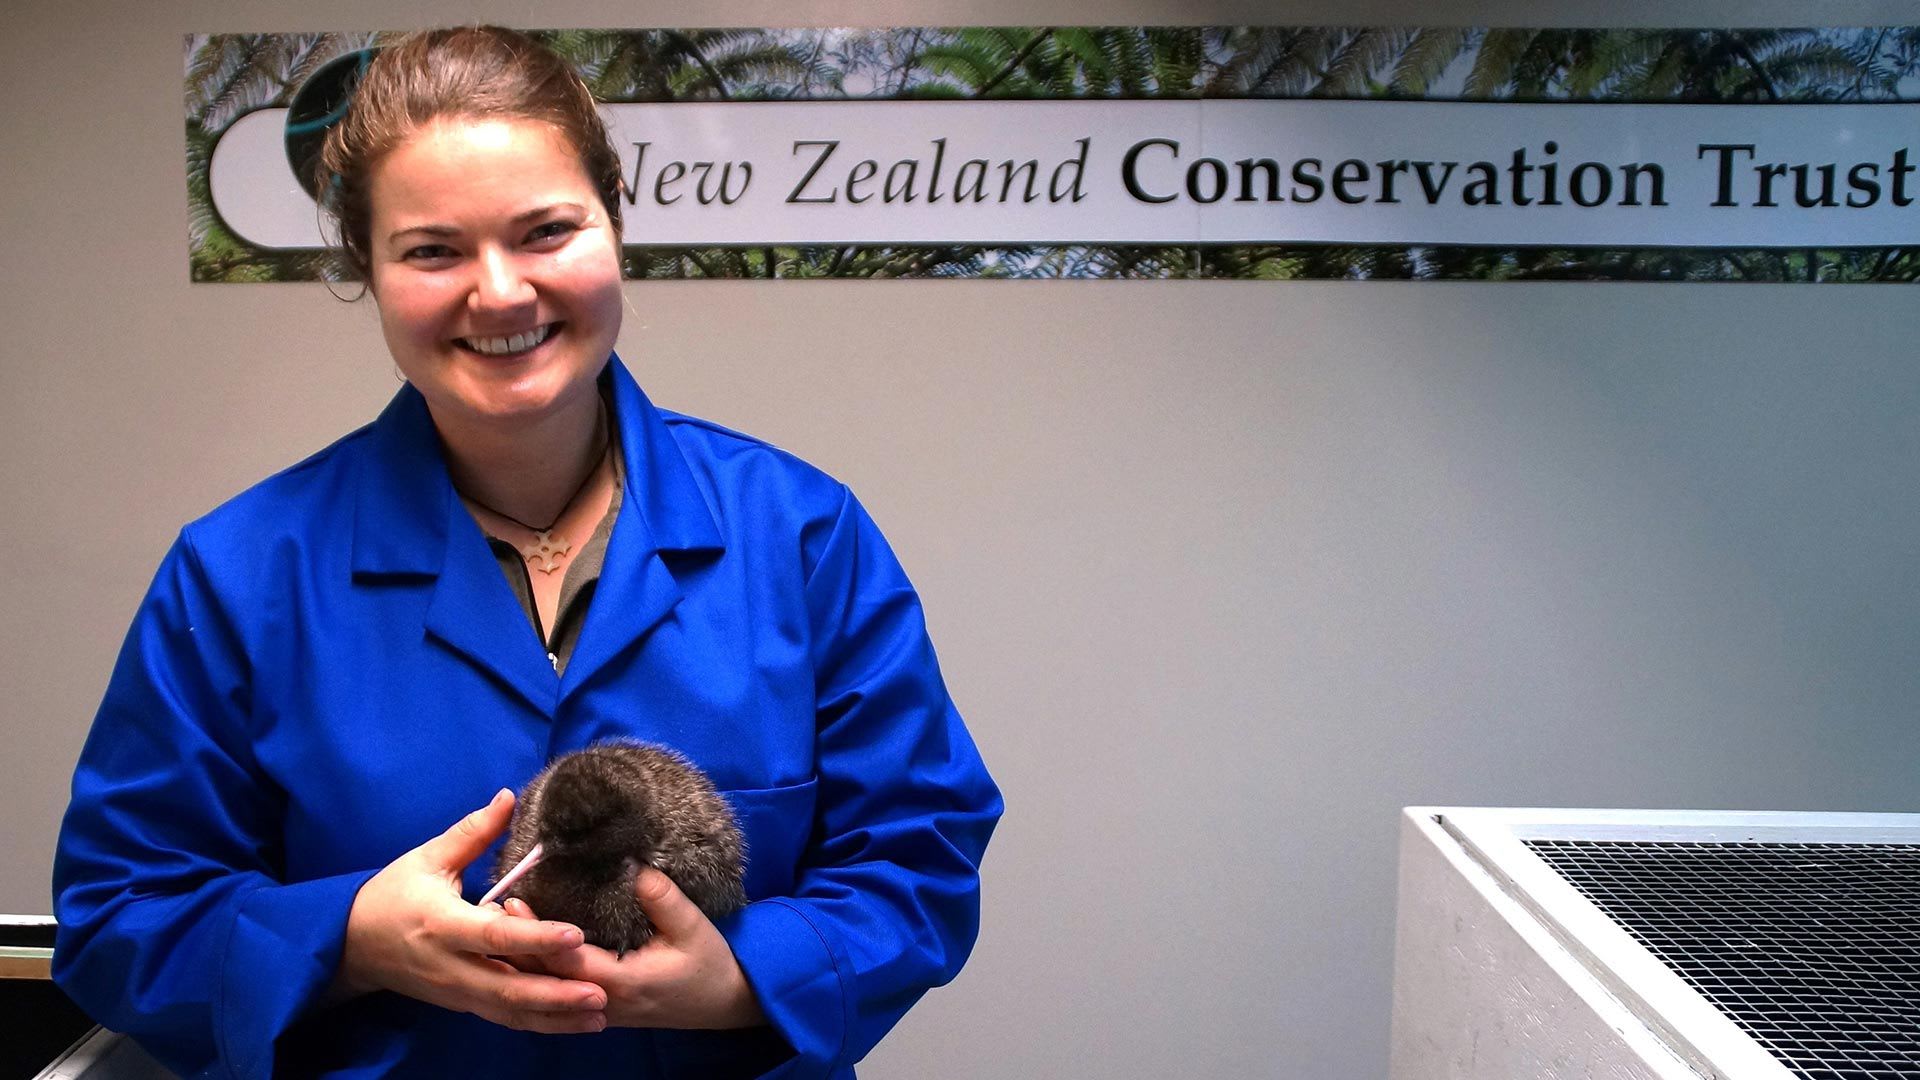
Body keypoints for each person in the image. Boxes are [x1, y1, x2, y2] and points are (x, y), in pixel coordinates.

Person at [51, 26, 1001, 1079]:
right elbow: (121, 917)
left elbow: (918, 857)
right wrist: (353, 941)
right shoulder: (236, 578)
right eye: (432, 250)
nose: (499, 293)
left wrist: (742, 978)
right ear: (364, 269)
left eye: (546, 231)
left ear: (615, 225)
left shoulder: (803, 536)